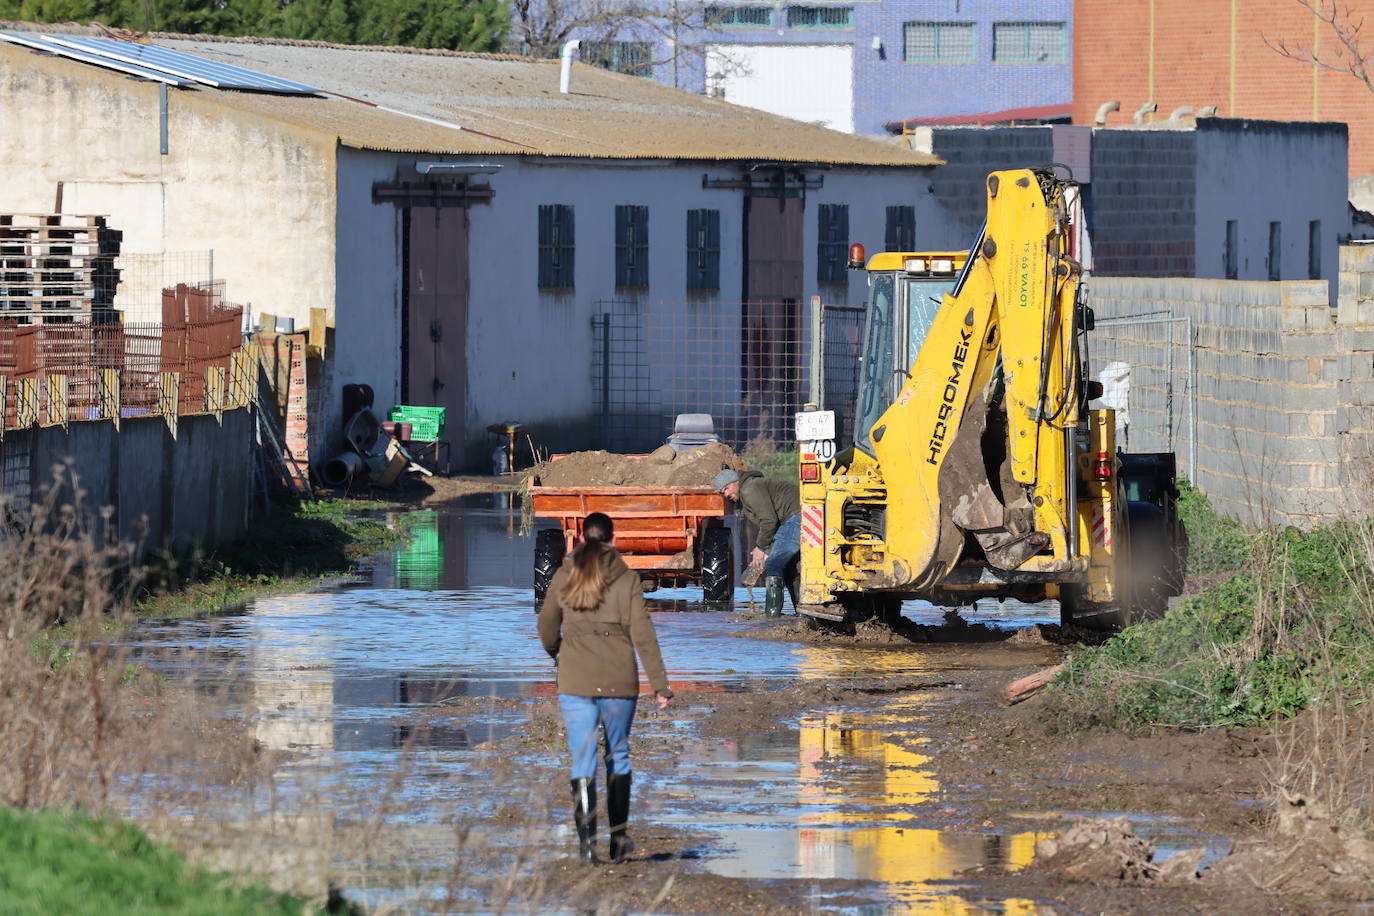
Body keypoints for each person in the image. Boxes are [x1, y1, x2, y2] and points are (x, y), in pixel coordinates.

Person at [537, 512, 673, 864]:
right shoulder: (627, 579)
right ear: (613, 540)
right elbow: (643, 634)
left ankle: (586, 847)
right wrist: (660, 685)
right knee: (619, 756)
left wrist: (560, 654)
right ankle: (618, 841)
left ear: (581, 538)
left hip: (575, 679)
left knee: (582, 760)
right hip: (618, 681)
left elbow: (546, 626)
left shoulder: (565, 574)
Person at [712, 468, 801, 617]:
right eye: (722, 492)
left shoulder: (750, 489)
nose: (726, 494)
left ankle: (772, 619)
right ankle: (802, 615)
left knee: (774, 564)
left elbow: (769, 521)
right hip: (793, 518)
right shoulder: (747, 492)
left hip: (797, 516)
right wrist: (767, 550)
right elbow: (775, 525)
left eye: (726, 488)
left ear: (735, 482)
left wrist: (760, 548)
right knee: (787, 567)